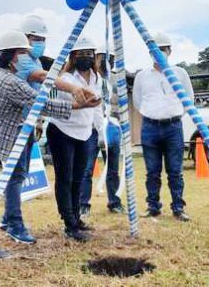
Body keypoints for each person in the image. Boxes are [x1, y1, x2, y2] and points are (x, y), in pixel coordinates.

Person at [0, 30, 100, 258]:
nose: (26, 57)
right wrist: (81, 106)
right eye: (22, 52)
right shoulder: (10, 82)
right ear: (11, 56)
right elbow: (41, 105)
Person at [0, 15, 96, 245]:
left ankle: (7, 218)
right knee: (15, 176)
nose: (39, 42)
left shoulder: (37, 61)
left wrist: (39, 121)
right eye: (35, 38)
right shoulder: (21, 59)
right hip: (15, 126)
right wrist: (74, 89)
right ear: (24, 40)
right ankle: (14, 223)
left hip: (28, 124)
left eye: (42, 38)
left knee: (19, 174)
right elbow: (43, 79)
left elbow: (39, 98)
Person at [46, 37, 105, 242]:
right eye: (81, 54)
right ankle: (69, 223)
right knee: (65, 178)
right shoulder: (67, 78)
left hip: (84, 133)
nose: (86, 58)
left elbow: (98, 109)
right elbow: (77, 100)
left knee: (79, 178)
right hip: (62, 131)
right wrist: (88, 99)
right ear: (73, 57)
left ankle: (77, 218)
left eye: (89, 54)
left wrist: (101, 133)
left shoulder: (97, 79)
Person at [132, 32, 193, 222]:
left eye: (162, 49)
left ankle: (178, 207)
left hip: (173, 126)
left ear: (169, 51)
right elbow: (137, 101)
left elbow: (188, 99)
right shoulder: (142, 76)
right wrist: (153, 114)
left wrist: (173, 114)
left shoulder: (180, 74)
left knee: (175, 170)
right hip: (150, 127)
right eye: (154, 50)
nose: (158, 53)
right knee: (152, 171)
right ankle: (153, 206)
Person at [79, 45, 124, 217]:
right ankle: (83, 204)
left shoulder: (117, 80)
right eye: (103, 58)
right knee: (87, 169)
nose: (107, 62)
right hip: (91, 130)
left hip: (112, 128)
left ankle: (114, 202)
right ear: (95, 58)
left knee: (112, 167)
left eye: (111, 59)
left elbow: (121, 106)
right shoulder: (90, 79)